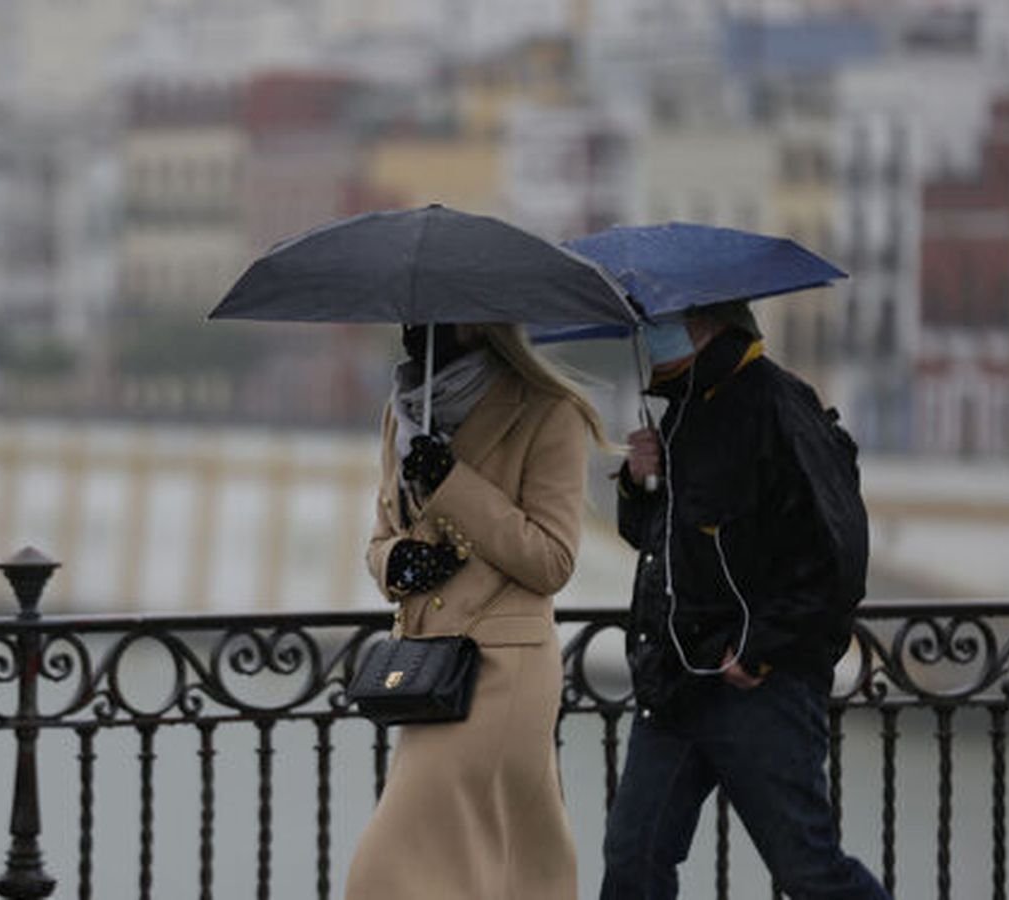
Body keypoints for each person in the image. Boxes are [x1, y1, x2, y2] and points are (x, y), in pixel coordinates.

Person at [600, 302, 888, 900]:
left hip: (757, 688)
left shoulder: (781, 405)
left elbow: (839, 555)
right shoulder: (680, 413)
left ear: (710, 325)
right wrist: (636, 481)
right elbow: (659, 539)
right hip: (675, 683)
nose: (652, 336)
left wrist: (757, 650)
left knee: (810, 872)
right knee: (634, 859)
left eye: (664, 323)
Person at [345, 322, 609, 900]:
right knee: (517, 865)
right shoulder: (405, 414)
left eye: (439, 313)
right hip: (430, 671)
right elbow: (379, 538)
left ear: (480, 322)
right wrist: (399, 562)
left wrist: (452, 482)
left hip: (501, 672)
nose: (419, 328)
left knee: (386, 871)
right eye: (413, 315)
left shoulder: (547, 411)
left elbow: (552, 560)